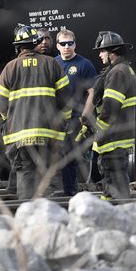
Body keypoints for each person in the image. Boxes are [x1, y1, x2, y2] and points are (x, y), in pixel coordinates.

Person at [0, 24, 71, 199]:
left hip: (20, 135)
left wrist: (12, 119)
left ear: (18, 47)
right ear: (36, 43)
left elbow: (0, 104)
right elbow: (66, 100)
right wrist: (64, 122)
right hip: (49, 134)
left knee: (26, 174)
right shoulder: (52, 64)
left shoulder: (10, 68)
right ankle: (53, 214)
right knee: (50, 174)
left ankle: (27, 215)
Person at [79, 31, 136, 200]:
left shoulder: (118, 73)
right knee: (112, 181)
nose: (99, 55)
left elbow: (110, 107)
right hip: (117, 136)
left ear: (112, 53)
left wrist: (98, 130)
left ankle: (117, 213)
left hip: (113, 137)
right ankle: (112, 210)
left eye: (102, 51)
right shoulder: (122, 69)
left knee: (114, 181)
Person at [55, 29, 98, 195]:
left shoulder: (84, 64)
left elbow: (92, 92)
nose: (67, 47)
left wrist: (85, 115)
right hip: (55, 118)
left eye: (70, 43)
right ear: (57, 46)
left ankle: (69, 191)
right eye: (63, 44)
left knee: (68, 156)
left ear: (75, 44)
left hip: (74, 119)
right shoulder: (53, 63)